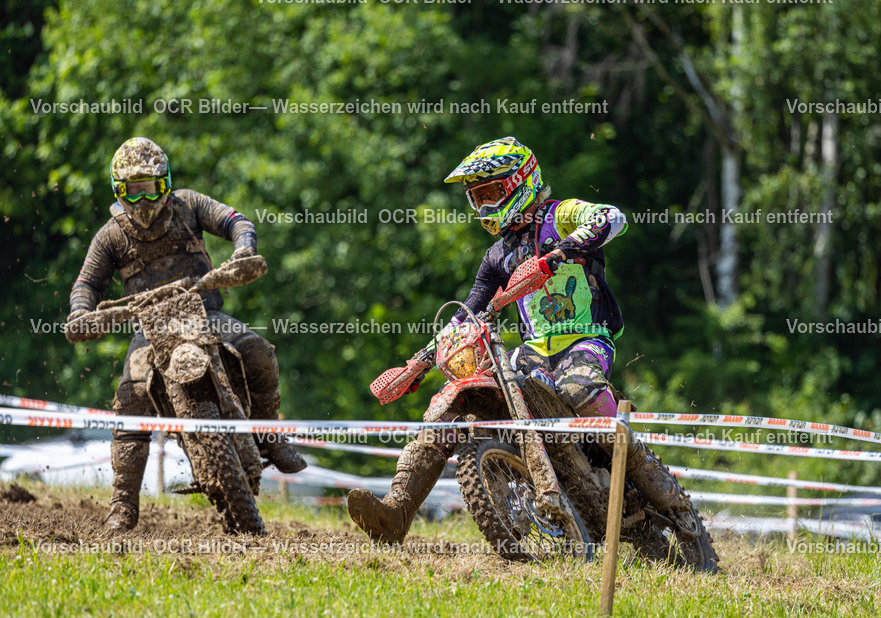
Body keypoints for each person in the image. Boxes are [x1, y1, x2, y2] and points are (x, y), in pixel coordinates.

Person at [349, 136, 683, 543]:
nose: (485, 205)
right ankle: (397, 509)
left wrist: (555, 256)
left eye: (491, 193)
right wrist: (415, 364)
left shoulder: (560, 215)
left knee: (578, 388)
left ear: (519, 182)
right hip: (533, 351)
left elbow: (612, 217)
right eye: (477, 197)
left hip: (585, 339)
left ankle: (656, 483)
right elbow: (466, 313)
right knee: (456, 407)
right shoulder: (498, 256)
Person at [68, 137, 306, 531]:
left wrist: (243, 248)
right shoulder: (110, 235)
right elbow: (86, 284)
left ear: (166, 184)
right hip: (151, 328)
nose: (144, 201)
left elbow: (236, 221)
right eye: (134, 191)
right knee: (130, 398)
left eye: (152, 189)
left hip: (205, 312)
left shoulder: (189, 204)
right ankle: (123, 505)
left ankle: (267, 433)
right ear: (119, 190)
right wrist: (81, 312)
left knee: (260, 352)